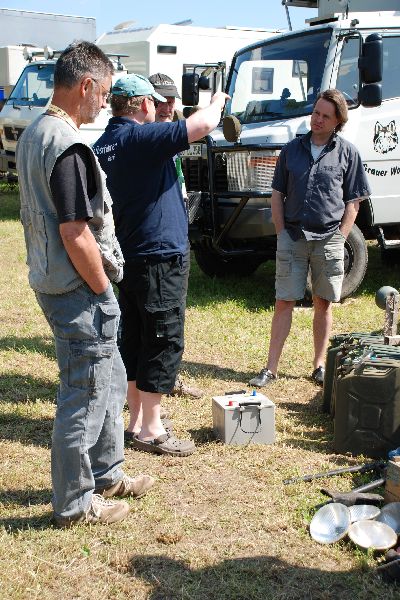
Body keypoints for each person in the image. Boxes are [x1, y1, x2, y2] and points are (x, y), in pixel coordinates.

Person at [16, 42, 155, 528]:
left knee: (111, 377)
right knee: (85, 393)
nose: (106, 102)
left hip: (52, 279)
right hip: (77, 288)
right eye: (106, 92)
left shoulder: (35, 132)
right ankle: (75, 504)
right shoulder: (66, 144)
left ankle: (108, 472)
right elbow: (75, 231)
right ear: (86, 86)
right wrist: (101, 289)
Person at [93, 74, 229, 456]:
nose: (158, 108)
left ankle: (137, 420)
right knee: (163, 337)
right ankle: (152, 429)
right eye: (153, 102)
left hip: (130, 255)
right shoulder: (139, 138)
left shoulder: (104, 144)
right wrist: (217, 101)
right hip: (159, 256)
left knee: (135, 337)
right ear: (141, 105)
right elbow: (202, 125)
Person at [249, 89, 371, 389]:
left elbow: (353, 202)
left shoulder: (348, 153)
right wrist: (280, 232)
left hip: (328, 238)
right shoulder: (292, 150)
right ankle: (271, 368)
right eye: (316, 112)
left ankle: (318, 366)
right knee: (283, 301)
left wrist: (340, 237)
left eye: (324, 115)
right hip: (292, 235)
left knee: (323, 303)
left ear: (337, 121)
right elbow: (277, 194)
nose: (317, 119)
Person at [147, 72, 203, 400]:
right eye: (161, 99)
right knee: (155, 320)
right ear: (147, 101)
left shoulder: (169, 131)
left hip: (176, 232)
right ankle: (152, 385)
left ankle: (169, 377)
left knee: (174, 313)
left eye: (172, 100)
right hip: (153, 243)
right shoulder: (150, 136)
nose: (169, 106)